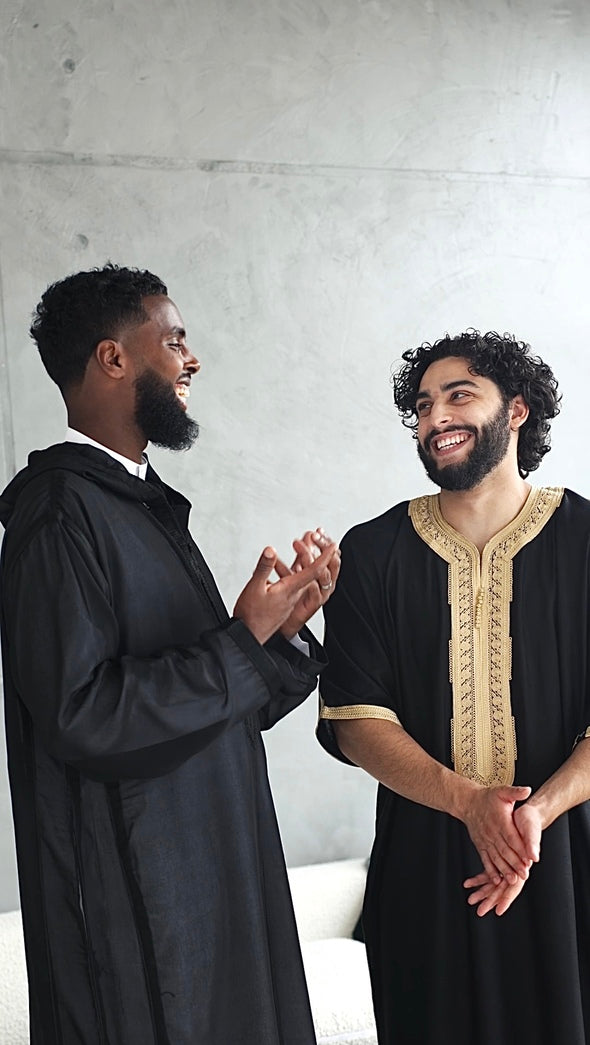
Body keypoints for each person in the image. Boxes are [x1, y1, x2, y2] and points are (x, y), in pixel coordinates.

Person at [0, 263, 340, 1045]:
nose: (191, 360)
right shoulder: (60, 514)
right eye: (175, 340)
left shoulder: (137, 504)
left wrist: (276, 630)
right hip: (142, 911)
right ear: (112, 358)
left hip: (211, 877)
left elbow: (214, 704)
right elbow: (82, 714)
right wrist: (237, 639)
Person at [317, 330, 590, 1045]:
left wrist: (535, 815)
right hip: (424, 871)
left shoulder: (588, 540)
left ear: (519, 410)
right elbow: (355, 718)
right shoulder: (371, 552)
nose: (435, 417)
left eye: (459, 395)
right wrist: (467, 802)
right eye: (423, 405)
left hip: (568, 864)